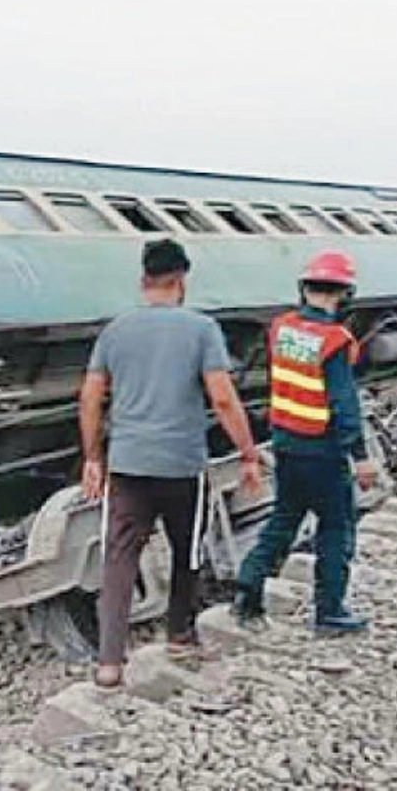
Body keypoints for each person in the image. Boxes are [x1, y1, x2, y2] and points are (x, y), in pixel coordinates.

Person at [79, 238, 263, 691]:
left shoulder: (115, 331)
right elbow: (222, 397)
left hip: (127, 464)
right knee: (187, 551)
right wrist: (248, 453)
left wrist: (92, 458)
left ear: (143, 280)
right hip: (182, 465)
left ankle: (108, 662)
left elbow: (90, 398)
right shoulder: (202, 329)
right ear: (181, 281)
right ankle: (180, 636)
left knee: (119, 558)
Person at [233, 250, 379, 634]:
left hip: (285, 444)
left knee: (283, 519)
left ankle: (249, 584)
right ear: (343, 294)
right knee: (336, 528)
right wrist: (361, 457)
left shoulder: (282, 327)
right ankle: (329, 612)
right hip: (323, 451)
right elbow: (344, 404)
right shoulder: (335, 340)